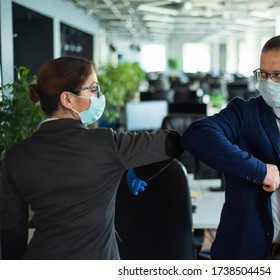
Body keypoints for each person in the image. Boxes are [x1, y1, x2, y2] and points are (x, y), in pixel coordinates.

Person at [0, 56, 183, 260]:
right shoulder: (107, 143)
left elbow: (11, 232)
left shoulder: (14, 157)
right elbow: (173, 142)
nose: (99, 95)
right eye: (93, 88)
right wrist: (140, 170)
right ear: (67, 99)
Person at [181, 34, 280, 260]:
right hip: (250, 252)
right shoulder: (244, 113)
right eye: (263, 74)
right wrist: (259, 170)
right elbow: (196, 136)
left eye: (278, 75)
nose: (267, 81)